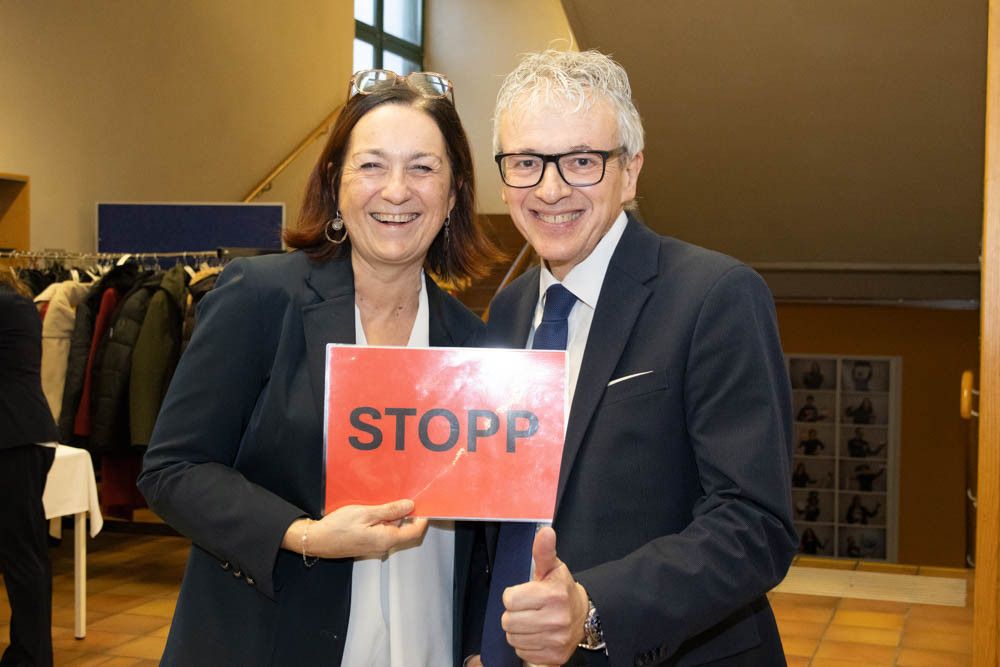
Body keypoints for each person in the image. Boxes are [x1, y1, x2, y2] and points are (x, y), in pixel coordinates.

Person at [138, 70, 500, 666]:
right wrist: (304, 536)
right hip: (274, 642)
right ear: (335, 182)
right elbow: (172, 469)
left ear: (455, 193)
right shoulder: (262, 297)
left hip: (426, 644)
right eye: (372, 165)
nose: (396, 191)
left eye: (422, 168)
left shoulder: (474, 345)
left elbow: (484, 533)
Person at [478, 50, 796, 667]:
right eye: (526, 163)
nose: (550, 189)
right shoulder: (507, 312)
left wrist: (593, 609)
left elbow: (754, 525)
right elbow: (498, 514)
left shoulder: (715, 295)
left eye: (581, 161)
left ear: (629, 172)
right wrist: (483, 643)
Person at [0, 273, 58, 666]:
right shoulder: (13, 300)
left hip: (13, 438)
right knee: (24, 555)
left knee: (23, 557)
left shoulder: (6, 304)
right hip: (19, 434)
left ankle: (30, 657)